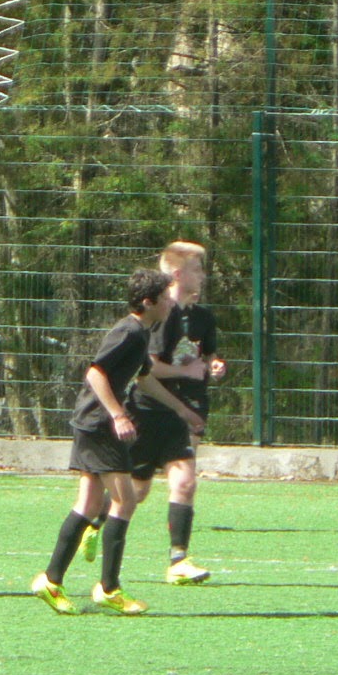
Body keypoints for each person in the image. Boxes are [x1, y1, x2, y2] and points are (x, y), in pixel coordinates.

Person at [32, 269, 202, 617]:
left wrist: (181, 409)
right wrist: (118, 415)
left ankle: (51, 581)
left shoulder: (141, 334)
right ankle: (109, 588)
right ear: (148, 302)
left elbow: (145, 379)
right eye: (166, 297)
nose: (171, 302)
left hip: (92, 424)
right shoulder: (128, 331)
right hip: (99, 425)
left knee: (90, 503)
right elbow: (96, 373)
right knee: (124, 501)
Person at [82, 241, 222, 585]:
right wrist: (184, 375)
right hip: (145, 413)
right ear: (177, 274)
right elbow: (148, 371)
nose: (203, 275)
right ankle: (94, 524)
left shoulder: (201, 317)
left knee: (185, 482)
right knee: (137, 492)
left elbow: (202, 358)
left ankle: (178, 560)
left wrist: (210, 367)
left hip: (178, 414)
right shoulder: (160, 314)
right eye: (197, 268)